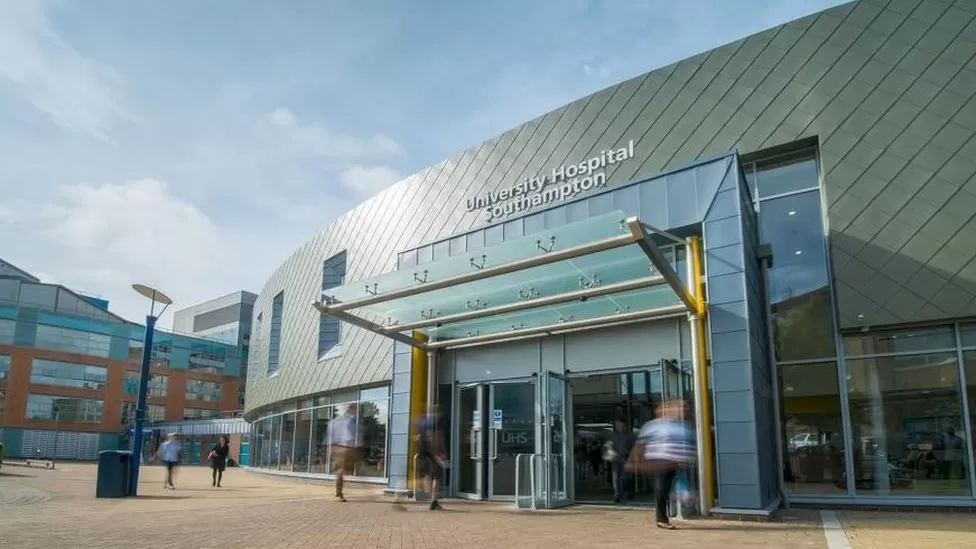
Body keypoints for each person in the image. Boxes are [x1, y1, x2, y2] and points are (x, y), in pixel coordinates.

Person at [627, 399, 696, 530]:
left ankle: (681, 500)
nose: (681, 411)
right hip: (659, 461)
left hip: (676, 463)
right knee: (662, 490)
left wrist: (688, 458)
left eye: (683, 409)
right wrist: (634, 461)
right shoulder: (653, 425)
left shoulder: (683, 426)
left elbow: (688, 443)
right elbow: (640, 445)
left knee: (669, 488)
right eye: (679, 408)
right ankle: (662, 519)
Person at [328, 404, 362, 502]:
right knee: (341, 471)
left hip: (336, 447)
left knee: (340, 471)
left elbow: (330, 434)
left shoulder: (336, 421)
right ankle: (339, 494)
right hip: (345, 448)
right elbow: (350, 435)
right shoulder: (349, 421)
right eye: (355, 409)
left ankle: (338, 492)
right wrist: (357, 444)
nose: (356, 412)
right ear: (351, 409)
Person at [604, 418, 636, 503]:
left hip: (626, 459)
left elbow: (635, 447)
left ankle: (628, 492)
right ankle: (617, 495)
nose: (617, 427)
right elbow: (607, 447)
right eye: (616, 425)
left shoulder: (630, 436)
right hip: (615, 460)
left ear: (625, 426)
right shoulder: (612, 436)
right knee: (616, 478)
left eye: (620, 425)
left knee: (626, 478)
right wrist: (609, 456)